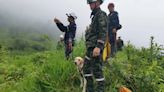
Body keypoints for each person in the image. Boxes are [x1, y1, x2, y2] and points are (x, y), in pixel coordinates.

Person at [84, 0, 107, 91]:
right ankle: (90, 89)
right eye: (89, 3)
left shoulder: (101, 14)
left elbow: (103, 31)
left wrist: (99, 46)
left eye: (91, 3)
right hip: (90, 48)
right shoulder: (95, 16)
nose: (90, 5)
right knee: (86, 69)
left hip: (95, 48)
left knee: (97, 72)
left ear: (97, 2)